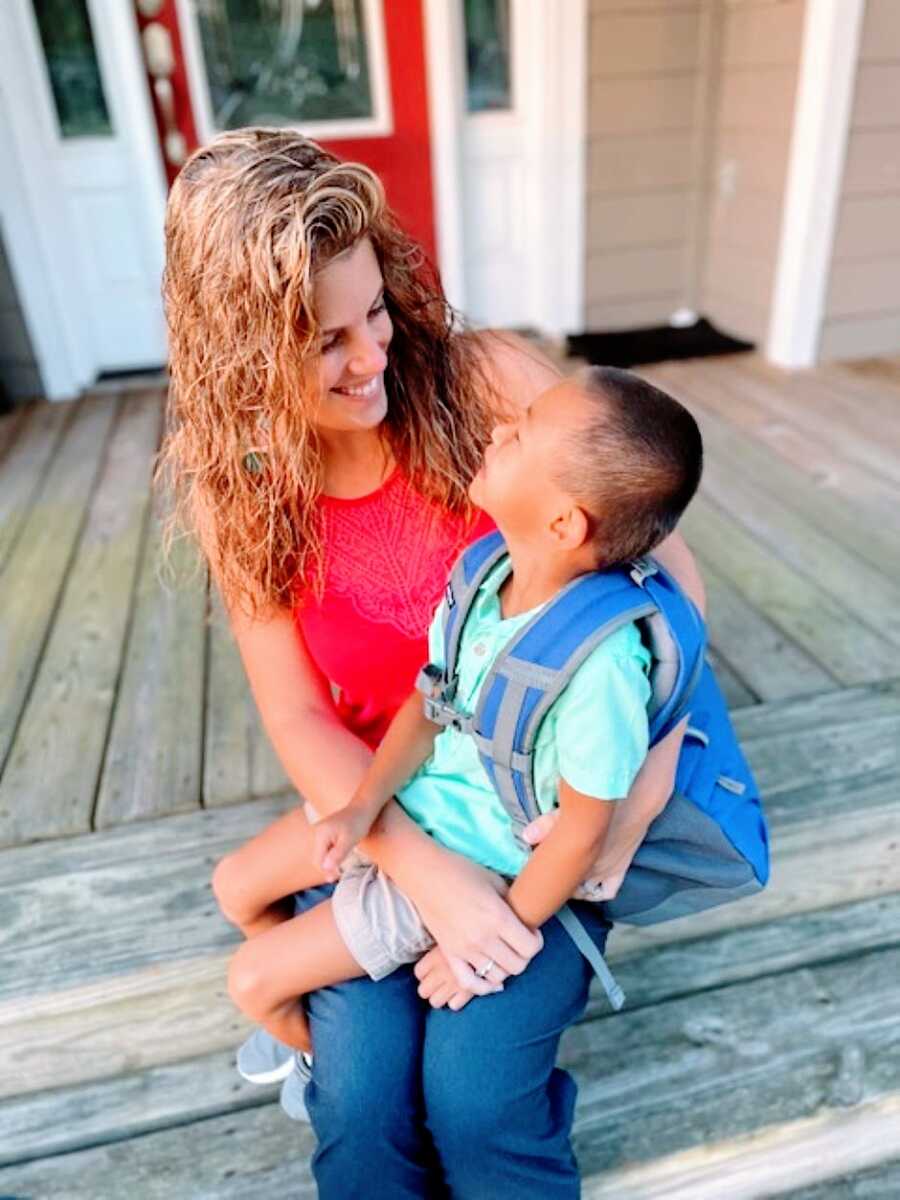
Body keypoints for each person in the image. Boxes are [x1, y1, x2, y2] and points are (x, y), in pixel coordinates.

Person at [161, 128, 706, 1199]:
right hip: (396, 822)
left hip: (545, 821)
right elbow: (299, 720)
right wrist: (421, 870)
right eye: (324, 341)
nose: (371, 358)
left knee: (475, 1100)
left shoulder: (493, 385)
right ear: (240, 359)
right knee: (363, 1109)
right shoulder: (245, 494)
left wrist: (647, 782)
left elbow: (666, 588)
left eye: (375, 314)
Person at [214, 365, 702, 1053]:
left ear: (563, 522)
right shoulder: (486, 573)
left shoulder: (601, 672)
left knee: (252, 982)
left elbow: (579, 837)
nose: (499, 427)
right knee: (235, 886)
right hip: (415, 799)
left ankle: (311, 1056)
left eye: (522, 434)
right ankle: (325, 980)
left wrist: (492, 942)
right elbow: (430, 698)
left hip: (469, 855)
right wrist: (361, 804)